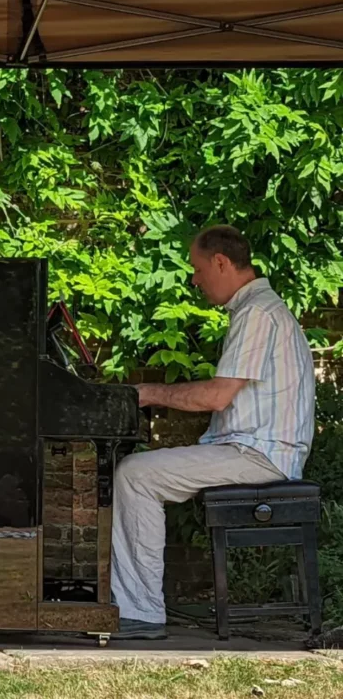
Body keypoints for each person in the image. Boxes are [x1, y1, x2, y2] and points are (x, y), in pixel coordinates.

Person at [111, 225, 315, 640]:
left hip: (259, 454)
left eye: (197, 268)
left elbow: (218, 396)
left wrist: (147, 393)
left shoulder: (257, 312)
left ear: (221, 262)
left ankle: (140, 612)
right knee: (138, 471)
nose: (194, 279)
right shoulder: (257, 308)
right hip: (254, 448)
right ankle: (133, 605)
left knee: (135, 474)